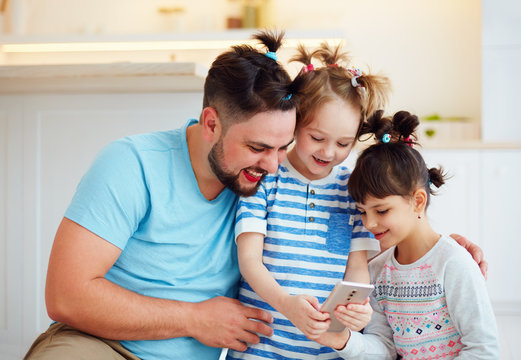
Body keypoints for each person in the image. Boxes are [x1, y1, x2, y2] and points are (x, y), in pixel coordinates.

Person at [24, 31, 298, 360]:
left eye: (284, 148)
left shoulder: (267, 185)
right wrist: (194, 319)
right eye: (257, 147)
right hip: (101, 345)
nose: (272, 165)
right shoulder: (130, 163)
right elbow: (66, 296)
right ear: (211, 124)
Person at [226, 43, 391, 360]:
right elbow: (249, 261)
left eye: (343, 143)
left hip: (324, 351)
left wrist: (356, 308)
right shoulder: (266, 177)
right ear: (295, 122)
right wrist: (287, 304)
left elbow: (357, 267)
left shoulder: (352, 188)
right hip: (260, 348)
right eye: (317, 138)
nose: (329, 153)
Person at [335, 110, 500, 358]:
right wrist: (343, 341)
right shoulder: (377, 272)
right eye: (362, 212)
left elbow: (483, 350)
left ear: (418, 201)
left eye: (381, 210)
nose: (369, 223)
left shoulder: (454, 263)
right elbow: (383, 347)